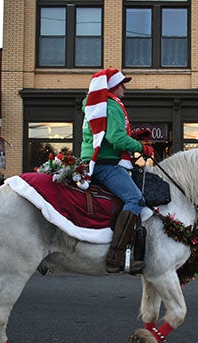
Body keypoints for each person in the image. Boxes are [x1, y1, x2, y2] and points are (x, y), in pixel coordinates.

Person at [80, 68, 154, 273]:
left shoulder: (97, 104)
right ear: (113, 87)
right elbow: (116, 138)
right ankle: (116, 255)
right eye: (122, 84)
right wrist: (142, 147)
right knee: (135, 199)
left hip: (92, 160)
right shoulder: (112, 106)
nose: (125, 88)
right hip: (106, 164)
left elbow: (109, 134)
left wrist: (134, 136)